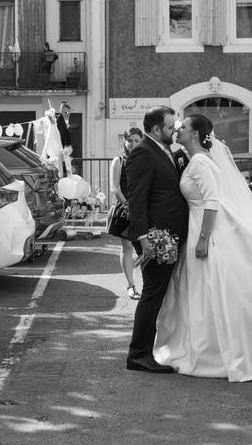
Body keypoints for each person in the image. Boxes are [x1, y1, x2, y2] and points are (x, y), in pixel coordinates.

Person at [154, 115, 252, 382]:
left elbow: (212, 201)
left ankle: (211, 353)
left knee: (206, 289)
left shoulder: (199, 163)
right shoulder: (196, 160)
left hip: (205, 229)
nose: (178, 130)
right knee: (197, 290)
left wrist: (203, 238)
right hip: (197, 226)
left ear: (195, 134)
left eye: (183, 127)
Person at [125, 106, 188, 374]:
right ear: (155, 129)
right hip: (156, 237)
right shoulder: (143, 152)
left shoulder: (166, 152)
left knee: (157, 294)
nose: (174, 130)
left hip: (169, 235)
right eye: (170, 127)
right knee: (152, 294)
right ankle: (138, 354)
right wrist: (144, 237)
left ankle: (145, 351)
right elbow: (136, 198)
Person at [109, 127, 143, 300]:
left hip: (143, 209)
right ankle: (131, 285)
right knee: (127, 247)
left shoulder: (146, 159)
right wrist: (128, 205)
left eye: (137, 140)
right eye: (130, 140)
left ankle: (148, 285)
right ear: (124, 141)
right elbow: (114, 188)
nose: (133, 144)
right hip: (125, 209)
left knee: (144, 247)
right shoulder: (119, 160)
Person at [56, 102, 73, 176]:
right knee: (61, 170)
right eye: (66, 112)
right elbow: (62, 135)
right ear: (61, 111)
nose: (68, 114)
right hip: (61, 148)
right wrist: (66, 146)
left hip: (64, 148)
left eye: (69, 113)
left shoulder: (64, 121)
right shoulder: (59, 122)